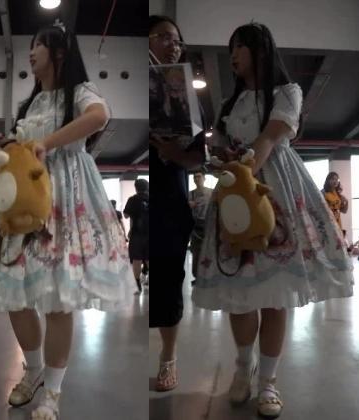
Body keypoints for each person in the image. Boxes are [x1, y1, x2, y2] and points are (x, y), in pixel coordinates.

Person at [0, 23, 133, 420]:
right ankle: (35, 369)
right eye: (32, 43)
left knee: (59, 299)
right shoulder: (30, 102)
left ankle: (53, 390)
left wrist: (45, 143)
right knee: (15, 293)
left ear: (59, 52)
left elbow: (99, 116)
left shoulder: (79, 91)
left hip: (66, 196)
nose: (32, 50)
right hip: (26, 202)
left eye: (39, 44)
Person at [192, 23, 353, 418]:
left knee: (276, 296)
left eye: (241, 46)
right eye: (232, 47)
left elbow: (268, 138)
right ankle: (242, 368)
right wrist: (217, 162)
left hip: (276, 191)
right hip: (235, 194)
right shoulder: (228, 104)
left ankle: (268, 381)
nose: (233, 54)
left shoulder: (287, 92)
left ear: (261, 50)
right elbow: (221, 149)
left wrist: (243, 170)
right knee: (239, 293)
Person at [146, 15, 206, 392]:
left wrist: (175, 153)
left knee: (168, 281)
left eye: (177, 40)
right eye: (165, 37)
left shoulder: (186, 93)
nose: (174, 45)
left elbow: (200, 156)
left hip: (170, 196)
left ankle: (168, 358)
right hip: (146, 200)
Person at [124, 179, 150, 295]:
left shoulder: (132, 199)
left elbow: (126, 215)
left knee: (136, 259)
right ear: (147, 187)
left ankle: (137, 284)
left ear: (136, 188)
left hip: (136, 234)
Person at [189, 171, 213, 281]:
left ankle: (208, 275)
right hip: (195, 226)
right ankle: (197, 276)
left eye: (199, 176)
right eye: (194, 177)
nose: (196, 179)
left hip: (209, 224)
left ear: (204, 178)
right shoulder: (190, 194)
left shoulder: (211, 192)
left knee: (209, 251)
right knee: (196, 252)